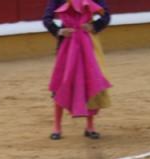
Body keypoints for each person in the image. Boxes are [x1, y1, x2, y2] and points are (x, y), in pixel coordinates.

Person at [43, 0, 111, 140]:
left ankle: (90, 127)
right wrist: (59, 31)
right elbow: (47, 18)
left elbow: (106, 15)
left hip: (88, 43)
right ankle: (57, 127)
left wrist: (93, 26)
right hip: (67, 43)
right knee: (63, 81)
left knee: (89, 79)